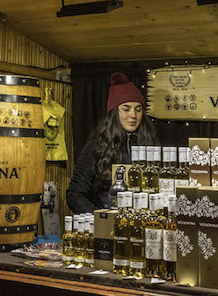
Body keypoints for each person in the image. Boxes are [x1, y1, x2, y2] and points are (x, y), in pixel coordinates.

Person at [66, 72, 155, 213]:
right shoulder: (96, 145)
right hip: (107, 220)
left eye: (138, 110)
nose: (133, 115)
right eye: (126, 109)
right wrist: (101, 218)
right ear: (114, 112)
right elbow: (74, 194)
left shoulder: (150, 144)